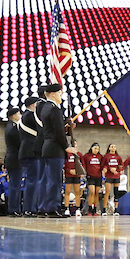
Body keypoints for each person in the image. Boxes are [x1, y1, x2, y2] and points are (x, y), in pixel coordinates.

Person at [38, 84, 74, 217]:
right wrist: (66, 146)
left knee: (46, 180)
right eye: (59, 93)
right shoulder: (55, 110)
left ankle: (43, 207)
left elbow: (53, 128)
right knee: (55, 180)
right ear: (52, 94)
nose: (61, 95)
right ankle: (53, 208)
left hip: (47, 147)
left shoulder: (45, 108)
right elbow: (58, 132)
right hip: (55, 149)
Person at [16, 96, 40, 216]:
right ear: (32, 105)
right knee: (32, 181)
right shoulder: (30, 116)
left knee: (31, 180)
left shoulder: (24, 117)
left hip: (26, 152)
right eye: (37, 104)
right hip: (31, 153)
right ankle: (30, 208)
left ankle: (29, 207)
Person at [3, 107, 24, 217]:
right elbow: (20, 142)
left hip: (12, 159)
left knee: (15, 185)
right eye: (19, 114)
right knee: (15, 185)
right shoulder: (13, 128)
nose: (20, 115)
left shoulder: (10, 127)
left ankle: (15, 208)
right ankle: (14, 209)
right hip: (15, 159)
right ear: (14, 116)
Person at [82, 143, 104, 216]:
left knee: (97, 193)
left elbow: (103, 165)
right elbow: (83, 164)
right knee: (92, 192)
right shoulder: (86, 156)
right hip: (90, 176)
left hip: (98, 176)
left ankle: (94, 209)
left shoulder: (100, 156)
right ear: (91, 148)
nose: (96, 150)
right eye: (95, 148)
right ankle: (89, 208)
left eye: (98, 149)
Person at [100, 144, 123, 215]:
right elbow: (103, 165)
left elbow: (121, 166)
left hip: (116, 176)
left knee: (116, 192)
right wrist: (107, 169)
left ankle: (116, 210)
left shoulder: (118, 157)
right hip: (109, 176)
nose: (113, 148)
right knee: (107, 191)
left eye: (114, 147)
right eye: (112, 147)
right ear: (109, 148)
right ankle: (104, 210)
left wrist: (118, 170)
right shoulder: (106, 156)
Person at [63, 148, 84, 216]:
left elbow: (82, 164)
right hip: (68, 175)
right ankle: (67, 208)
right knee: (67, 191)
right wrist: (69, 170)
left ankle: (78, 209)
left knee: (77, 192)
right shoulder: (66, 154)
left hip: (77, 175)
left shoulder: (79, 154)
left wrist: (78, 171)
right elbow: (64, 164)